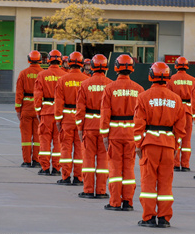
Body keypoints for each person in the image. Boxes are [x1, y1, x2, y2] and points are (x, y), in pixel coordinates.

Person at [134, 62, 186, 228]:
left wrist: (138, 144)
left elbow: (139, 124)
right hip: (168, 145)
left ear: (151, 75)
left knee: (149, 181)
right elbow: (180, 128)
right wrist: (176, 146)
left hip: (150, 144)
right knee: (165, 182)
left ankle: (149, 217)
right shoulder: (176, 99)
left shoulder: (144, 97)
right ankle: (164, 218)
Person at [100, 54, 144, 211]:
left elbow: (105, 113)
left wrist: (104, 135)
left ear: (116, 68)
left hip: (115, 134)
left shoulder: (110, 88)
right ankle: (128, 202)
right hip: (132, 134)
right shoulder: (139, 89)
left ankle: (115, 202)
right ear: (132, 68)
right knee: (129, 168)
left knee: (115, 168)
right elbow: (142, 116)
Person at [76, 54, 112, 198]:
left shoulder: (85, 84)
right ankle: (101, 190)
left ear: (91, 66)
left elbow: (80, 109)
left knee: (88, 159)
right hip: (105, 127)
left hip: (89, 126)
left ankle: (88, 190)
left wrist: (80, 128)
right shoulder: (111, 85)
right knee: (103, 159)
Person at [55, 51, 89, 185]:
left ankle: (65, 176)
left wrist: (58, 120)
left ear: (68, 63)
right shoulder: (87, 80)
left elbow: (59, 102)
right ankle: (78, 177)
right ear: (82, 64)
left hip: (67, 119)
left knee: (65, 148)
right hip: (82, 119)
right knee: (80, 149)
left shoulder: (62, 80)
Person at [34, 49, 65, 175]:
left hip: (46, 112)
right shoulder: (65, 75)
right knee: (58, 141)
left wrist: (38, 111)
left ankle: (45, 167)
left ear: (48, 60)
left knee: (44, 140)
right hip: (60, 113)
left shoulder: (42, 75)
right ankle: (57, 168)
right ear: (60, 60)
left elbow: (38, 95)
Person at [167, 56, 195, 172]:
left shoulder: (171, 79)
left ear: (176, 66)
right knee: (187, 139)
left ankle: (175, 163)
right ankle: (185, 164)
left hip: (176, 110)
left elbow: (168, 96)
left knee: (176, 136)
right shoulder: (193, 80)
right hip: (188, 111)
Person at [15, 50, 42, 168]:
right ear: (40, 60)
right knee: (38, 136)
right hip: (39, 108)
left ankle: (26, 161)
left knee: (26, 136)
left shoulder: (23, 73)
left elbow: (19, 93)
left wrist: (18, 109)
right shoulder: (43, 73)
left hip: (26, 108)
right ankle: (36, 160)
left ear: (29, 60)